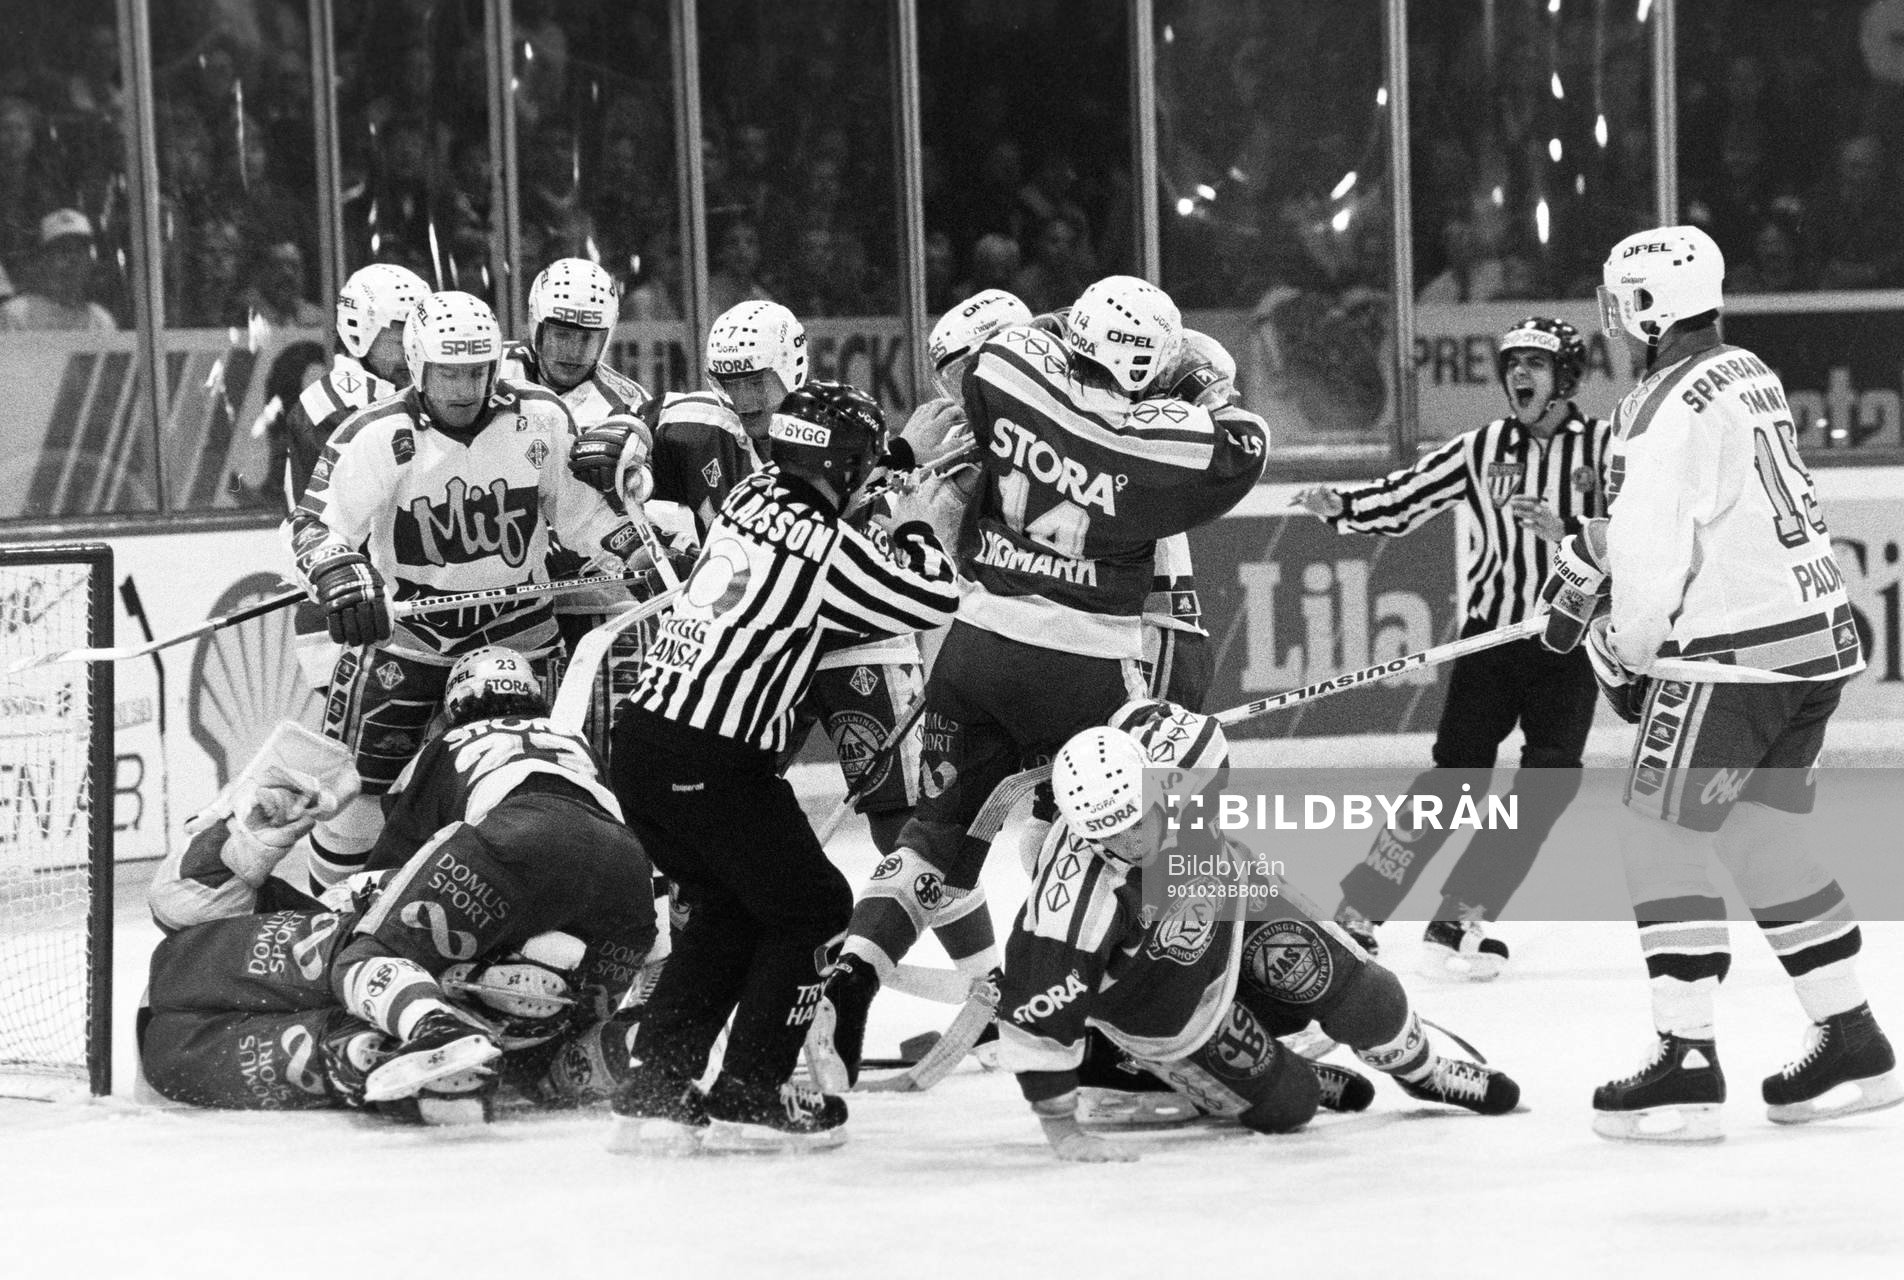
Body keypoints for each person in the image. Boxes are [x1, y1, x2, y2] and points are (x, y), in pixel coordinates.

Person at [812, 275, 1268, 1089]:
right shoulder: (1149, 439)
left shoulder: (1005, 374)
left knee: (936, 834)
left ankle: (851, 976)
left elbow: (1003, 356)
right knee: (1102, 839)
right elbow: (1239, 438)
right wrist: (1191, 376)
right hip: (1102, 656)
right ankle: (1093, 1010)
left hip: (978, 646)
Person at [1554, 224, 1896, 1141]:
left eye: (1617, 301)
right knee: (1757, 838)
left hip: (1735, 658)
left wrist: (1624, 644)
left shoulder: (1656, 406)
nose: (1611, 319)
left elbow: (1652, 556)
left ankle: (1688, 1056)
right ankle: (1853, 1032)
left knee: (1654, 835)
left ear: (1643, 307)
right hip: (1813, 647)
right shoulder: (1748, 369)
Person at [603, 381, 961, 1155]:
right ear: (845, 468)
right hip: (714, 757)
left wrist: (893, 458)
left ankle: (655, 1090)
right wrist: (920, 522)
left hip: (644, 746)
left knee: (731, 913)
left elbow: (824, 482)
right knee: (813, 907)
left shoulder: (752, 495)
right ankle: (750, 1094)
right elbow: (932, 597)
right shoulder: (828, 555)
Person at [139, 654, 659, 1123]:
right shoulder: (581, 749)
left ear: (451, 707)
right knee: (544, 1073)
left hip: (507, 856)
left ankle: (433, 1019)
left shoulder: (446, 746)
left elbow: (388, 882)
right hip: (623, 881)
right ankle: (656, 1041)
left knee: (359, 954)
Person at [1003, 699, 1522, 1163]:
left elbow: (1189, 728)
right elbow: (1037, 1017)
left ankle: (1424, 1072)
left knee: (1367, 994)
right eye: (1110, 833)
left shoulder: (1181, 759)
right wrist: (1061, 1130)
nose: (1133, 840)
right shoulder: (1070, 906)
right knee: (1290, 1106)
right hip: (1171, 1005)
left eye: (1137, 818)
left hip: (1232, 901)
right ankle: (1170, 1069)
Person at [286, 290, 653, 893]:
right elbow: (314, 524)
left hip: (522, 632)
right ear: (418, 364)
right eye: (449, 371)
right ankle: (331, 924)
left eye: (477, 370)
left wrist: (639, 548)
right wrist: (337, 569)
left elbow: (588, 518)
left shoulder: (540, 418)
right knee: (355, 789)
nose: (464, 387)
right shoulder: (375, 434)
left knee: (543, 783)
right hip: (410, 636)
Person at [1291, 317, 1611, 980]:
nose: (1519, 374)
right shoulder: (1483, 446)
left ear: (1566, 377)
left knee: (1545, 786)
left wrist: (1570, 532)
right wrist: (1340, 505)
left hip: (1569, 645)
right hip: (1492, 640)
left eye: (1535, 363)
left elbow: (1640, 537)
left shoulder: (1608, 451)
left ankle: (1463, 913)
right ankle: (1359, 913)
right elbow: (1407, 496)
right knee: (1452, 780)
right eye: (1512, 362)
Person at [276, 261, 431, 697]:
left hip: (407, 617)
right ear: (358, 331)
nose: (413, 345)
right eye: (399, 332)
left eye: (421, 330)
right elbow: (327, 530)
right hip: (347, 621)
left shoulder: (417, 396)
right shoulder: (330, 409)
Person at [0, 209, 116, 332]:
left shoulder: (102, 320)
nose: (73, 259)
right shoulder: (15, 314)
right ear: (44, 260)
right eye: (63, 251)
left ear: (90, 262)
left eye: (80, 251)